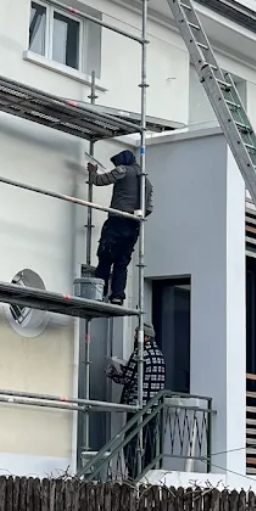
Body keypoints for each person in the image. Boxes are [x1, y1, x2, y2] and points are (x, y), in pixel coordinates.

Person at [88, 148, 153, 305]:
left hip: (117, 220)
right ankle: (117, 296)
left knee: (105, 258)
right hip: (134, 225)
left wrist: (92, 173)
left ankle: (98, 294)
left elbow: (99, 181)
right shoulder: (147, 182)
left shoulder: (122, 170)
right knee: (122, 262)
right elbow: (149, 209)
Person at [106, 322, 166, 479]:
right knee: (150, 440)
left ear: (145, 337)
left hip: (138, 405)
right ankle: (149, 473)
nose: (134, 336)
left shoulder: (140, 353)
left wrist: (112, 373)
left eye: (136, 334)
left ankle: (133, 474)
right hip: (154, 406)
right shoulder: (159, 354)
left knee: (131, 441)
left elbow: (128, 378)